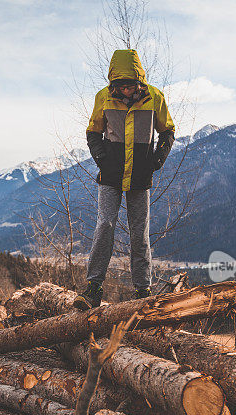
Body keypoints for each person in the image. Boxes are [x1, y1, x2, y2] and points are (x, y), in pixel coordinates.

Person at [73, 49, 176, 310]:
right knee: (105, 224)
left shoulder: (154, 97)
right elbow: (93, 132)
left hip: (141, 176)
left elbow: (168, 131)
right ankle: (93, 288)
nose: (127, 91)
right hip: (110, 175)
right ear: (114, 84)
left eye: (131, 86)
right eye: (122, 86)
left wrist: (157, 161)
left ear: (139, 81)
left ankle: (143, 291)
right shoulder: (103, 98)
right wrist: (102, 159)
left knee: (139, 233)